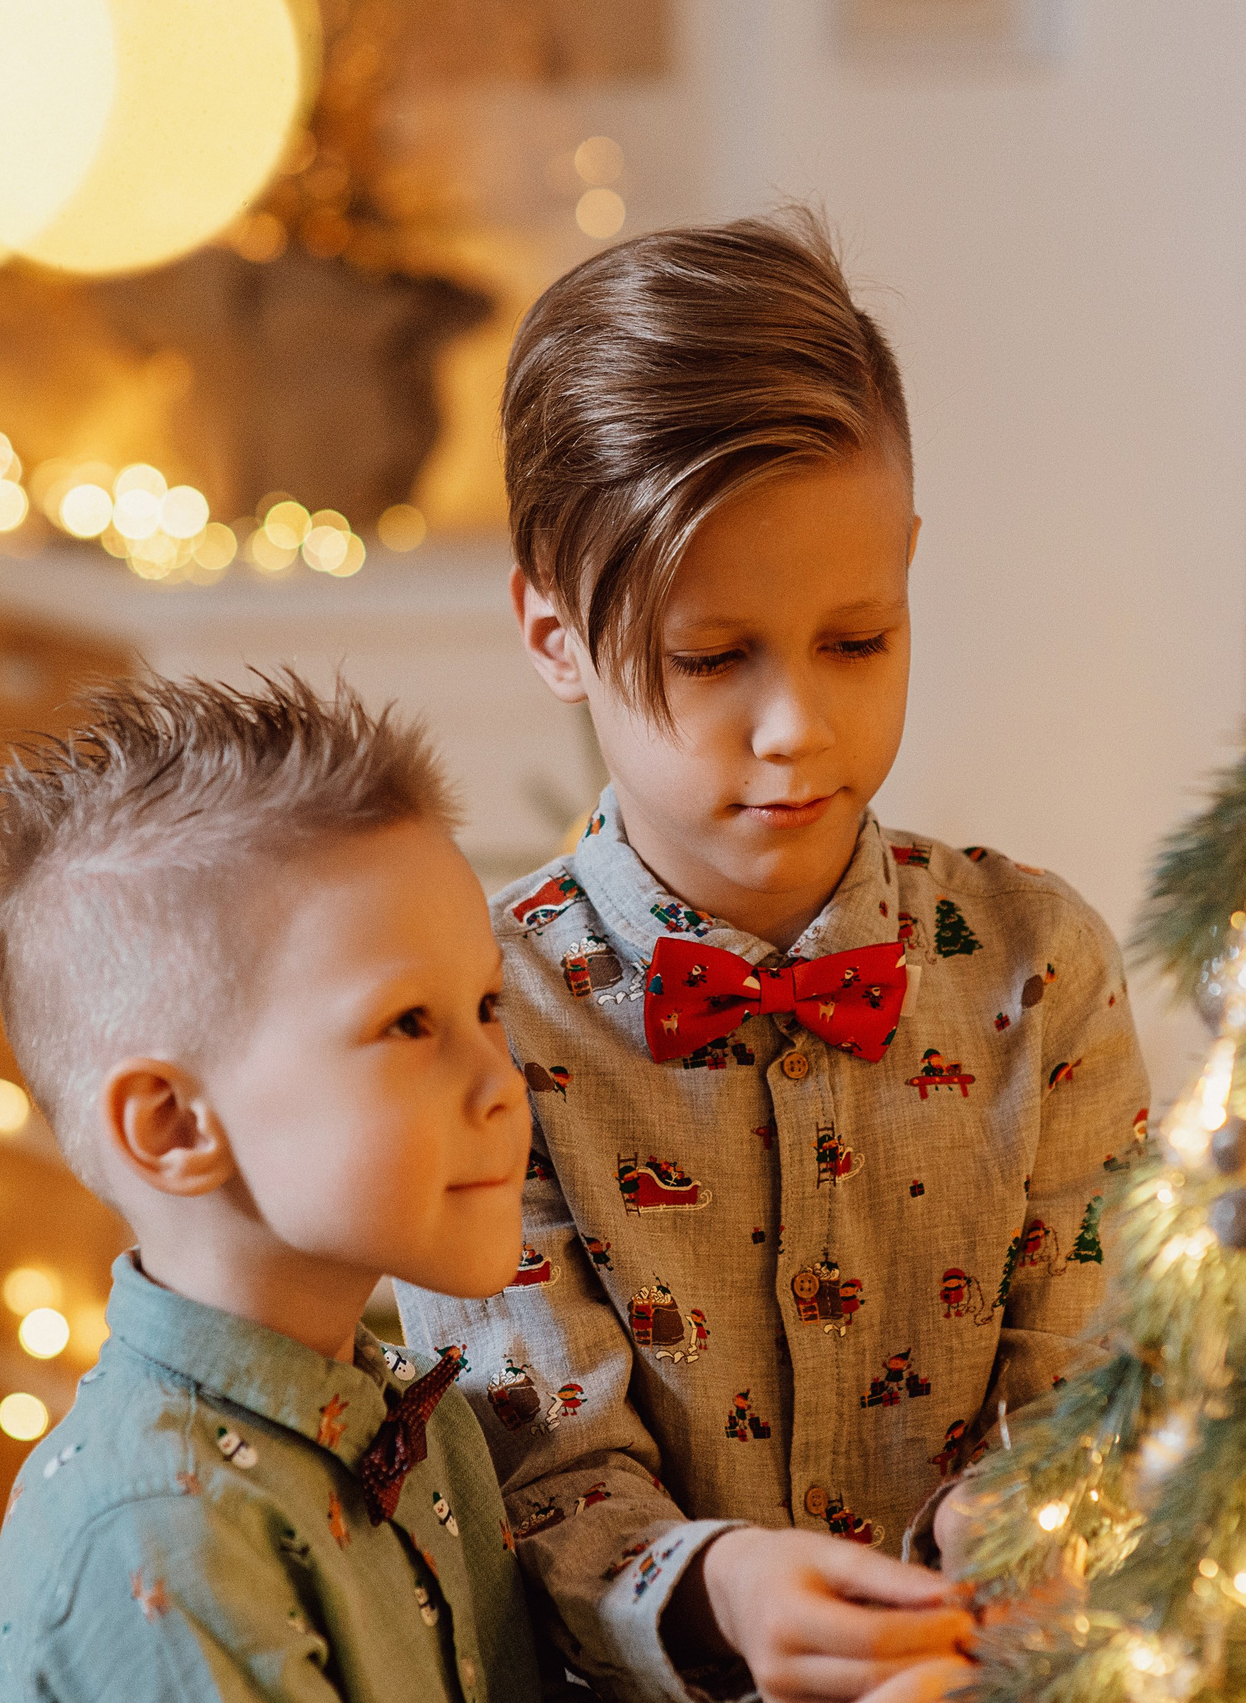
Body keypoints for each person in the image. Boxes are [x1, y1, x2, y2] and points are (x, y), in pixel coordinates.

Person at [397, 211, 1151, 1703]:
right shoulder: (481, 1016)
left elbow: (1098, 1380)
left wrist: (1023, 1525)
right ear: (553, 631)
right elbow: (535, 1474)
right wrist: (720, 1593)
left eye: (858, 640)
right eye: (713, 658)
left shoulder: (1042, 967)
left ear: (910, 568)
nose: (799, 725)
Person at [0, 674, 543, 1703]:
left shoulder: (432, 1423)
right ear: (177, 1128)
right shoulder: (157, 1536)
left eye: (487, 1003)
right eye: (410, 1023)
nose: (502, 1082)